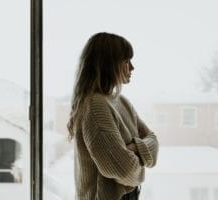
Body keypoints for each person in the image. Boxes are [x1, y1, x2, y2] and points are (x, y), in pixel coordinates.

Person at [67, 32, 159, 200]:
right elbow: (123, 169)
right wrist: (139, 153)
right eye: (126, 61)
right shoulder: (95, 106)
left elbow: (154, 140)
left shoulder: (120, 101)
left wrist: (133, 148)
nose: (132, 67)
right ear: (108, 64)